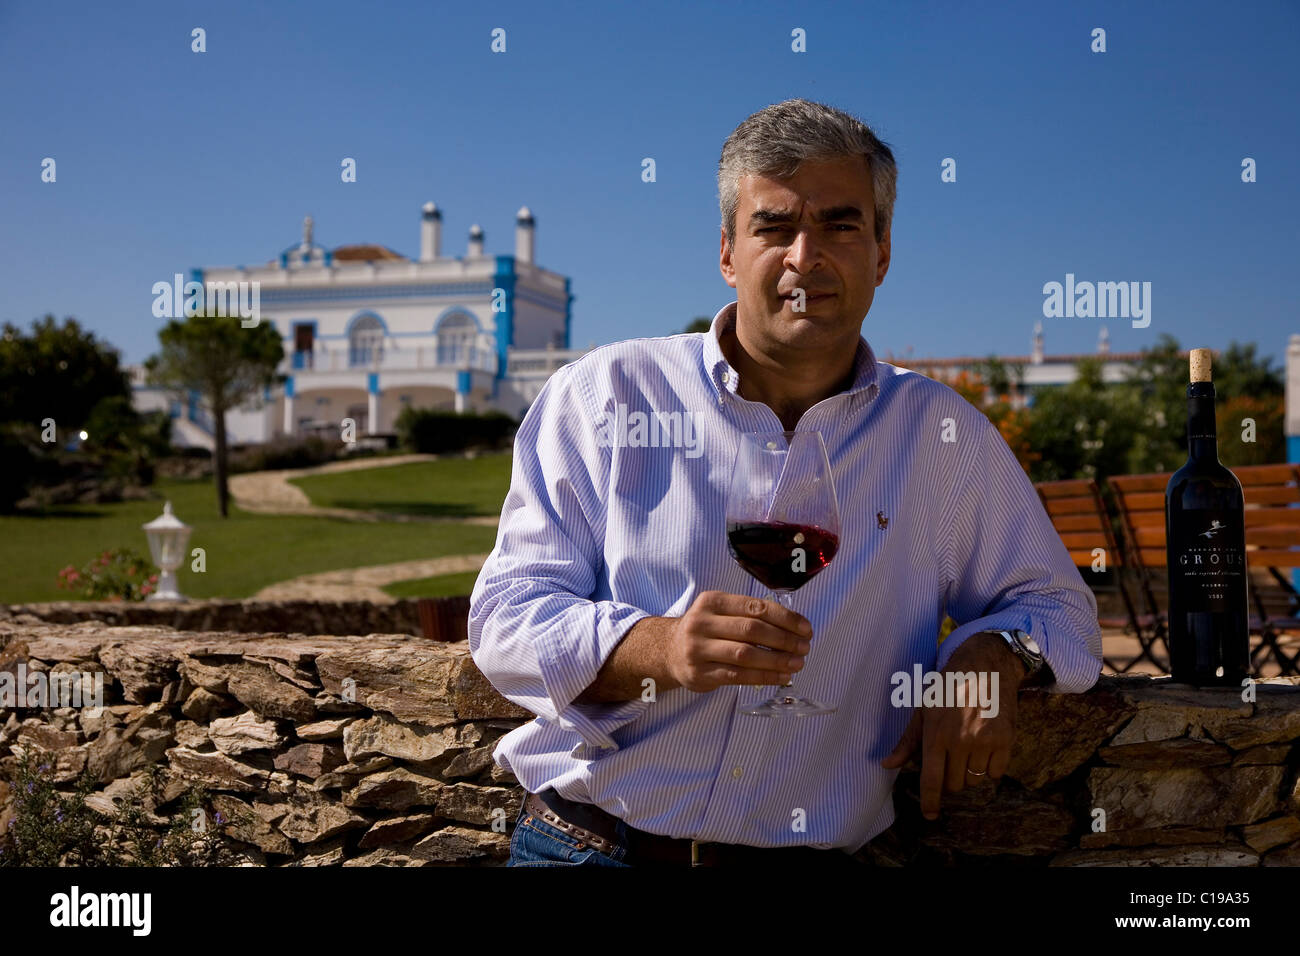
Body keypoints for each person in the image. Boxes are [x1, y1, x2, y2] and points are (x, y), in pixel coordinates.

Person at [468, 97, 1103, 867]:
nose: (807, 256)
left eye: (841, 225)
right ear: (729, 253)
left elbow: (1060, 613)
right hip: (590, 848)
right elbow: (507, 619)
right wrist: (657, 648)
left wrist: (992, 656)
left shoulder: (943, 436)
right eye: (775, 227)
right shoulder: (604, 397)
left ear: (883, 253)